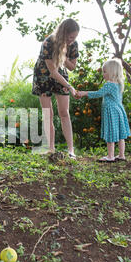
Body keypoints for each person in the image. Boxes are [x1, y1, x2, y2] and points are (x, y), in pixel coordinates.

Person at [32, 18, 80, 159]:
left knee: (64, 112)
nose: (72, 40)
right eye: (70, 37)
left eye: (75, 37)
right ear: (63, 33)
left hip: (61, 74)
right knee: (48, 114)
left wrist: (63, 54)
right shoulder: (48, 42)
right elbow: (52, 72)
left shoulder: (73, 45)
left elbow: (72, 67)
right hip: (43, 75)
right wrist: (70, 87)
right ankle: (51, 148)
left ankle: (71, 150)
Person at [76, 58, 131, 162]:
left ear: (112, 72)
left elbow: (98, 93)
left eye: (105, 72)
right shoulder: (119, 84)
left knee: (111, 132)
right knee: (120, 134)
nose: (103, 74)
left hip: (111, 111)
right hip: (119, 110)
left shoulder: (109, 84)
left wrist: (84, 93)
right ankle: (121, 155)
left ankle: (110, 157)